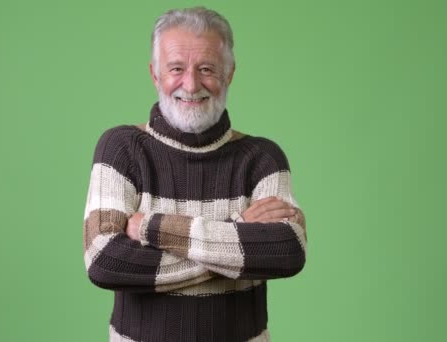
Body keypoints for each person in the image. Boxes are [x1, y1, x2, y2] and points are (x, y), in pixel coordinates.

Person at [82, 7, 307, 342]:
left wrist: (150, 227)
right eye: (176, 68)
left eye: (206, 69)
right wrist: (238, 233)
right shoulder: (122, 149)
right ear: (155, 74)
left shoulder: (263, 158)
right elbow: (105, 261)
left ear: (229, 73)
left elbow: (287, 250)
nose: (191, 84)